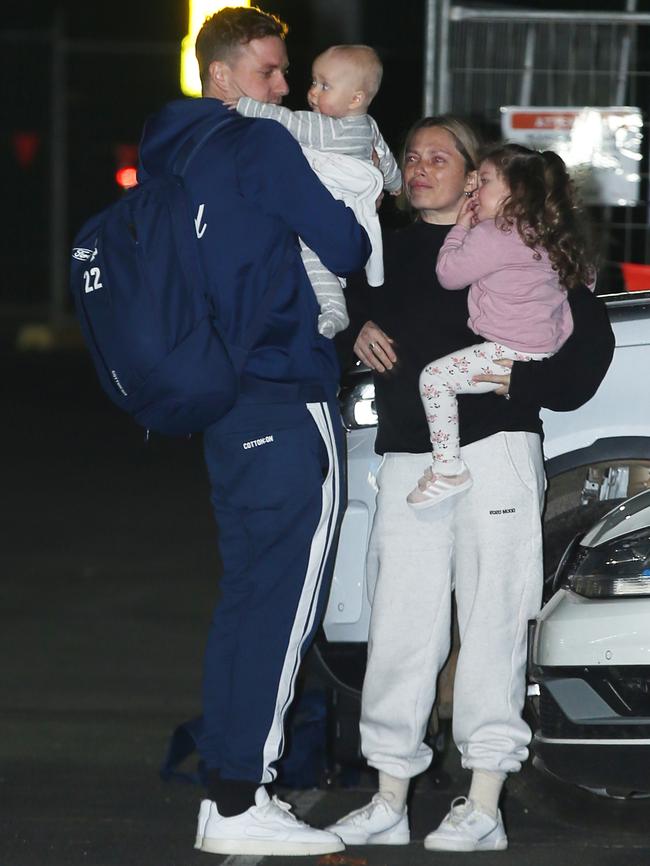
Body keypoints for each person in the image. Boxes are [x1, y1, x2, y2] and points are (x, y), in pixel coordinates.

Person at [327, 116, 614, 852]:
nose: (419, 166)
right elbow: (331, 302)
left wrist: (514, 377)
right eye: (412, 155)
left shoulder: (528, 243)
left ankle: (484, 800)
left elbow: (583, 364)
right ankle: (389, 794)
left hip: (497, 455)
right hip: (406, 458)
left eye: (440, 157)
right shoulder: (379, 249)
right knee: (398, 626)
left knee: (492, 625)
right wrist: (353, 325)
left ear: (477, 173)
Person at [138, 6, 370, 857]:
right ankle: (244, 802)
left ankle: (227, 795)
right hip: (282, 386)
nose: (285, 87)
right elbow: (343, 245)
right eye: (272, 71)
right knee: (283, 607)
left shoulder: (172, 150)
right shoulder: (260, 144)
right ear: (228, 74)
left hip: (220, 402)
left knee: (247, 600)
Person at [407, 143, 595, 508]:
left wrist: (461, 228)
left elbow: (449, 274)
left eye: (486, 181)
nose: (475, 190)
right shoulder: (550, 234)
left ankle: (448, 469)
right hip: (543, 351)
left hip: (506, 350)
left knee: (434, 379)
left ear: (515, 192)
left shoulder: (493, 233)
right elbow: (586, 283)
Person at [231, 44, 402, 337]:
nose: (312, 92)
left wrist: (244, 105)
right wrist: (396, 185)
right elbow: (386, 161)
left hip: (333, 207)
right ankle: (336, 310)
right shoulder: (370, 127)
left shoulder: (325, 127)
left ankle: (334, 309)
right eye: (313, 82)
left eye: (325, 86)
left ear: (355, 98)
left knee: (311, 256)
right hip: (358, 216)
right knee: (320, 262)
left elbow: (284, 120)